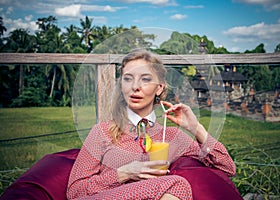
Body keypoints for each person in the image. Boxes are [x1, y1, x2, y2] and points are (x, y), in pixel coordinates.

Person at [67, 49, 236, 200]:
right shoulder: (102, 132)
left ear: (159, 88)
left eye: (145, 79)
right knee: (176, 185)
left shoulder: (171, 137)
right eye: (128, 79)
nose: (135, 87)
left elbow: (227, 168)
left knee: (176, 186)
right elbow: (75, 192)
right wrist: (123, 173)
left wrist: (196, 128)